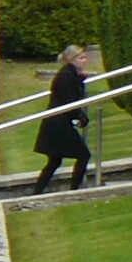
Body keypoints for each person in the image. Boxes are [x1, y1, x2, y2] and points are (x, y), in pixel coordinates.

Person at [34, 45, 94, 193]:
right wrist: (80, 116)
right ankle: (74, 190)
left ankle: (37, 191)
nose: (85, 61)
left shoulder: (71, 74)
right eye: (81, 58)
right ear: (71, 60)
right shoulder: (66, 75)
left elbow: (72, 97)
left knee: (55, 161)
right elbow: (69, 100)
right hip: (58, 122)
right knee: (83, 155)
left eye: (85, 57)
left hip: (57, 121)